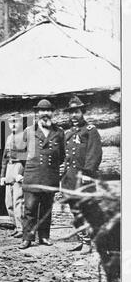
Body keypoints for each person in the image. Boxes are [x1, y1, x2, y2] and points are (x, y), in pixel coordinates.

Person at [19, 99, 65, 249]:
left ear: (52, 113)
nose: (45, 113)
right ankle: (27, 238)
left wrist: (50, 167)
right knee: (30, 209)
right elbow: (21, 155)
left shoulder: (59, 132)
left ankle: (44, 237)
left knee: (46, 209)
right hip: (32, 175)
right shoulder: (28, 131)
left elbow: (62, 156)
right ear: (37, 113)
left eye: (49, 111)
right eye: (42, 111)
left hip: (49, 176)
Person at [61, 95, 103, 254]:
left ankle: (90, 242)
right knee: (75, 210)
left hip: (84, 179)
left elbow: (94, 154)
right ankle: (83, 240)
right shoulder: (68, 133)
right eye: (71, 112)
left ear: (82, 112)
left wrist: (87, 174)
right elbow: (67, 156)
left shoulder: (90, 130)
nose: (73, 115)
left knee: (88, 210)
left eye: (76, 112)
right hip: (70, 179)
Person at [0, 113, 26, 238]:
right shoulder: (9, 137)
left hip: (19, 166)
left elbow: (29, 156)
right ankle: (15, 226)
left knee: (18, 200)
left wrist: (22, 173)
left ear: (21, 123)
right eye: (11, 122)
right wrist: (2, 175)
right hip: (9, 168)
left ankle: (22, 228)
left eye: (16, 122)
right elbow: (5, 157)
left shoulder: (25, 136)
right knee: (8, 201)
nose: (14, 124)